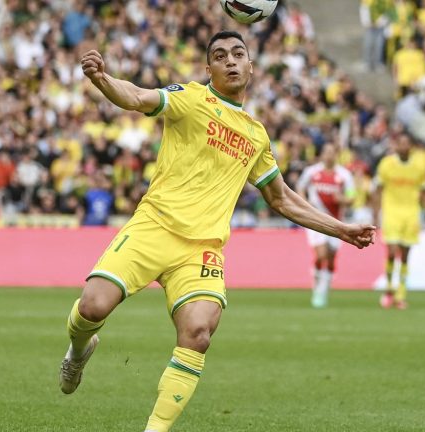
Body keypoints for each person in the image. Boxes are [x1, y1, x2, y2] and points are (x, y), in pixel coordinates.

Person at [59, 31, 376, 432]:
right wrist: (103, 80)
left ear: (250, 66)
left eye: (238, 54)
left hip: (203, 249)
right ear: (209, 69)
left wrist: (340, 229)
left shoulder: (256, 134)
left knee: (198, 333)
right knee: (92, 307)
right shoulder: (190, 97)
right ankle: (77, 351)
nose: (230, 61)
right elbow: (138, 97)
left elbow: (281, 199)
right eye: (220, 55)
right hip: (154, 226)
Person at [296, 143, 356, 308]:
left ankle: (324, 288)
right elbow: (300, 187)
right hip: (316, 220)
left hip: (336, 222)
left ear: (336, 155)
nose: (329, 155)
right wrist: (305, 202)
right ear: (322, 154)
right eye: (326, 152)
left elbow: (351, 197)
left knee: (330, 259)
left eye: (332, 152)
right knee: (321, 254)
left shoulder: (344, 175)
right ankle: (318, 289)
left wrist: (342, 199)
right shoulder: (312, 172)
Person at [373, 133, 425, 310]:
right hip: (391, 212)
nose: (404, 147)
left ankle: (401, 293)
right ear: (396, 146)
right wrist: (376, 215)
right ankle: (389, 288)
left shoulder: (419, 166)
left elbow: (424, 192)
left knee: (405, 256)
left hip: (411, 214)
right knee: (390, 252)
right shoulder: (387, 164)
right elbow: (378, 190)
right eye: (401, 144)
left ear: (411, 146)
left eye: (407, 143)